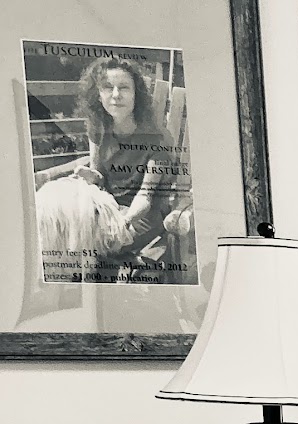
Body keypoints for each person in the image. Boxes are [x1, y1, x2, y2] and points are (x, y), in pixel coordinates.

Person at [34, 53, 186, 278]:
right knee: (56, 228)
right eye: (107, 87)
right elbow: (98, 177)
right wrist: (91, 175)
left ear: (136, 94)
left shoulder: (158, 139)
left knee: (78, 244)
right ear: (98, 93)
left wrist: (119, 223)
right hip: (107, 206)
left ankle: (86, 292)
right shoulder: (98, 126)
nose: (116, 95)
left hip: (141, 216)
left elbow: (145, 199)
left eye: (124, 88)